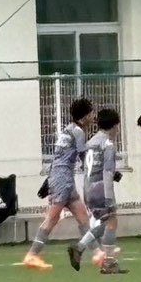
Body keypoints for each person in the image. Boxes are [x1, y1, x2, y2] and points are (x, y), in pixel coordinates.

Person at [25, 96, 95, 271]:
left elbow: (59, 157)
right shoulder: (78, 132)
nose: (93, 117)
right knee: (52, 218)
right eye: (91, 113)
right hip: (62, 179)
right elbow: (84, 157)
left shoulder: (68, 130)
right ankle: (32, 255)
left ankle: (98, 254)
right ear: (85, 116)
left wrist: (50, 179)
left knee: (83, 216)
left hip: (63, 178)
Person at [69, 107, 127, 275]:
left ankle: (79, 248)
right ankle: (108, 263)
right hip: (101, 188)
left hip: (88, 188)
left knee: (104, 223)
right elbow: (107, 172)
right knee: (111, 221)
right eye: (117, 126)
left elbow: (87, 166)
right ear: (114, 126)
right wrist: (109, 196)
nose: (117, 130)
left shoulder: (90, 143)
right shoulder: (108, 144)